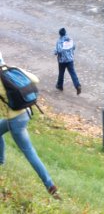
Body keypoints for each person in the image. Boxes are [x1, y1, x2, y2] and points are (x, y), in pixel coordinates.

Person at [0, 52, 60, 199]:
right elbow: (35, 79)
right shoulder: (12, 69)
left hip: (15, 121)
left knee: (29, 152)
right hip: (26, 112)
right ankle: (0, 161)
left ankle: (49, 184)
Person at [54, 27, 81, 95]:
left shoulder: (59, 41)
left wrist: (55, 52)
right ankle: (77, 85)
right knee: (72, 73)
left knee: (61, 73)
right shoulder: (70, 39)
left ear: (60, 34)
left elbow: (58, 51)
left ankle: (60, 86)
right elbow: (74, 47)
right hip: (70, 60)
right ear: (65, 33)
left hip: (62, 61)